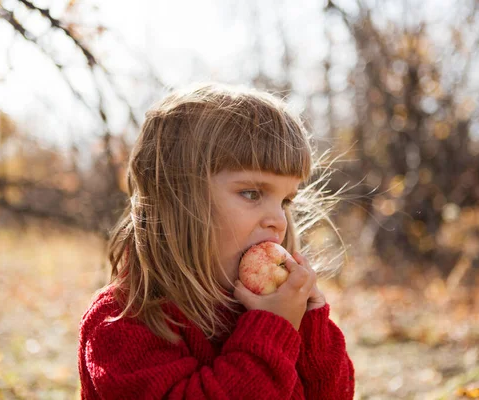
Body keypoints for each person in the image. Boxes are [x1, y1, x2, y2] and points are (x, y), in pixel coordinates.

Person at [78, 82, 355, 399]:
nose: (278, 220)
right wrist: (271, 332)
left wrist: (309, 327)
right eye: (252, 193)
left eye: (286, 201)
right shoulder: (124, 323)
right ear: (175, 199)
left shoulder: (262, 307)